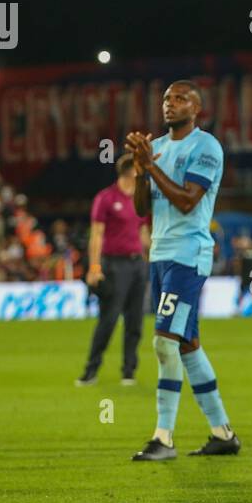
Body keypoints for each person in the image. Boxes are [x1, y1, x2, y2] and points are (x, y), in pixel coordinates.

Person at [127, 81, 241, 461]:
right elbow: (143, 208)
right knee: (187, 343)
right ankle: (223, 432)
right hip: (160, 256)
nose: (169, 104)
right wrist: (143, 171)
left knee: (163, 341)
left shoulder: (205, 147)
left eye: (180, 99)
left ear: (197, 109)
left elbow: (189, 201)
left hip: (188, 257)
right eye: (166, 99)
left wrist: (151, 166)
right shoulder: (156, 147)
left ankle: (163, 437)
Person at [77, 155, 150, 386]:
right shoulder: (106, 198)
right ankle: (91, 370)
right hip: (114, 265)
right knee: (108, 320)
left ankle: (129, 371)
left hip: (137, 264)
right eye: (140, 167)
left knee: (135, 321)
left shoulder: (140, 199)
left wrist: (151, 258)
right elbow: (96, 234)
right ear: (129, 170)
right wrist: (95, 267)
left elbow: (143, 232)